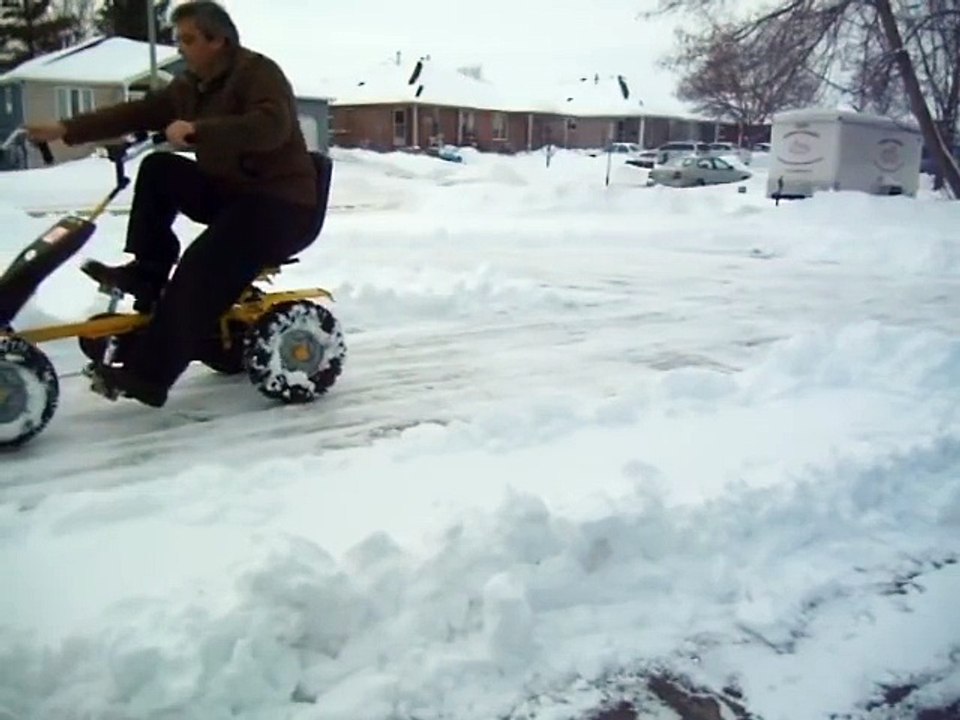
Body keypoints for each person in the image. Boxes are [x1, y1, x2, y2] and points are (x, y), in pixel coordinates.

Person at [25, 0, 319, 409]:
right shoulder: (191, 85)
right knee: (159, 169)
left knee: (201, 268)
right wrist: (65, 129)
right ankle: (148, 271)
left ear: (218, 41)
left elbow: (270, 128)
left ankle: (149, 376)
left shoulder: (258, 74)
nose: (180, 47)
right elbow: (139, 111)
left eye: (188, 39)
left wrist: (199, 130)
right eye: (179, 39)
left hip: (280, 206)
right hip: (232, 197)